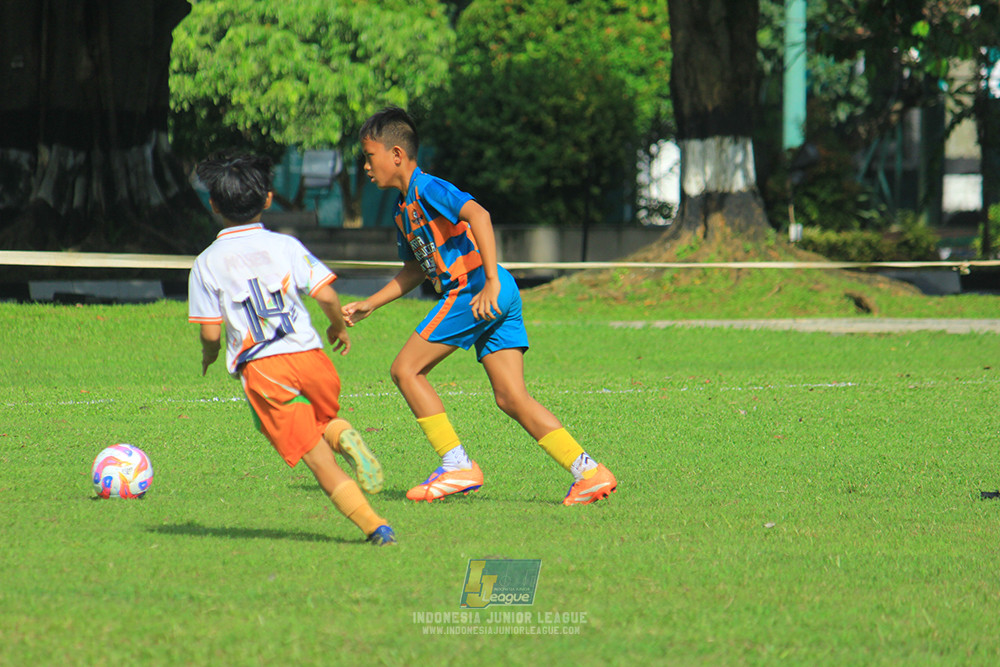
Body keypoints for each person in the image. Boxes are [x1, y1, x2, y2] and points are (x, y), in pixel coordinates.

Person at [343, 107, 617, 506]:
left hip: (475, 290)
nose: (366, 167)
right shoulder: (404, 210)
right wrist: (372, 303)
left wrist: (487, 280)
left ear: (397, 155)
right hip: (497, 291)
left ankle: (456, 465)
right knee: (511, 398)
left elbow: (479, 215)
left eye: (370, 157)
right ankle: (590, 472)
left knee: (406, 369)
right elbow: (416, 270)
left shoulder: (428, 188)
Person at [188, 151, 396, 545]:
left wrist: (208, 357)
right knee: (322, 423)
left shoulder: (206, 263)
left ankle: (375, 526)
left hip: (265, 368)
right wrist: (338, 328)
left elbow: (211, 335)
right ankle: (346, 434)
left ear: (213, 205)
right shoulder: (285, 245)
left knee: (316, 457)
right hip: (312, 357)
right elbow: (328, 294)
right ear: (267, 199)